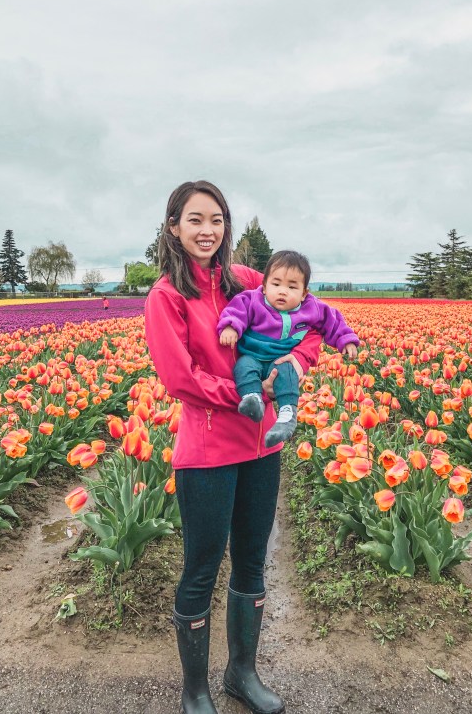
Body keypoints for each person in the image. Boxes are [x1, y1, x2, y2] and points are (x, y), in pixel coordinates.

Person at [144, 181, 322, 714]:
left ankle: (241, 674)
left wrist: (298, 362)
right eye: (195, 220)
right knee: (202, 566)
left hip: (262, 446)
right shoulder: (167, 296)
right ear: (174, 227)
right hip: (207, 451)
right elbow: (180, 378)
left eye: (216, 220)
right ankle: (194, 690)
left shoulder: (245, 280)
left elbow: (308, 313)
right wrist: (248, 391)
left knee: (252, 560)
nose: (207, 231)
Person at [218, 249, 359, 449]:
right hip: (253, 354)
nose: (283, 291)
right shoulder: (253, 299)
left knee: (288, 373)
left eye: (292, 287)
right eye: (276, 284)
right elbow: (236, 311)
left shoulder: (312, 308)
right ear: (265, 285)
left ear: (304, 294)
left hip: (283, 358)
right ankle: (252, 399)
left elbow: (332, 321)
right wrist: (231, 326)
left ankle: (287, 415)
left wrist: (346, 340)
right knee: (243, 367)